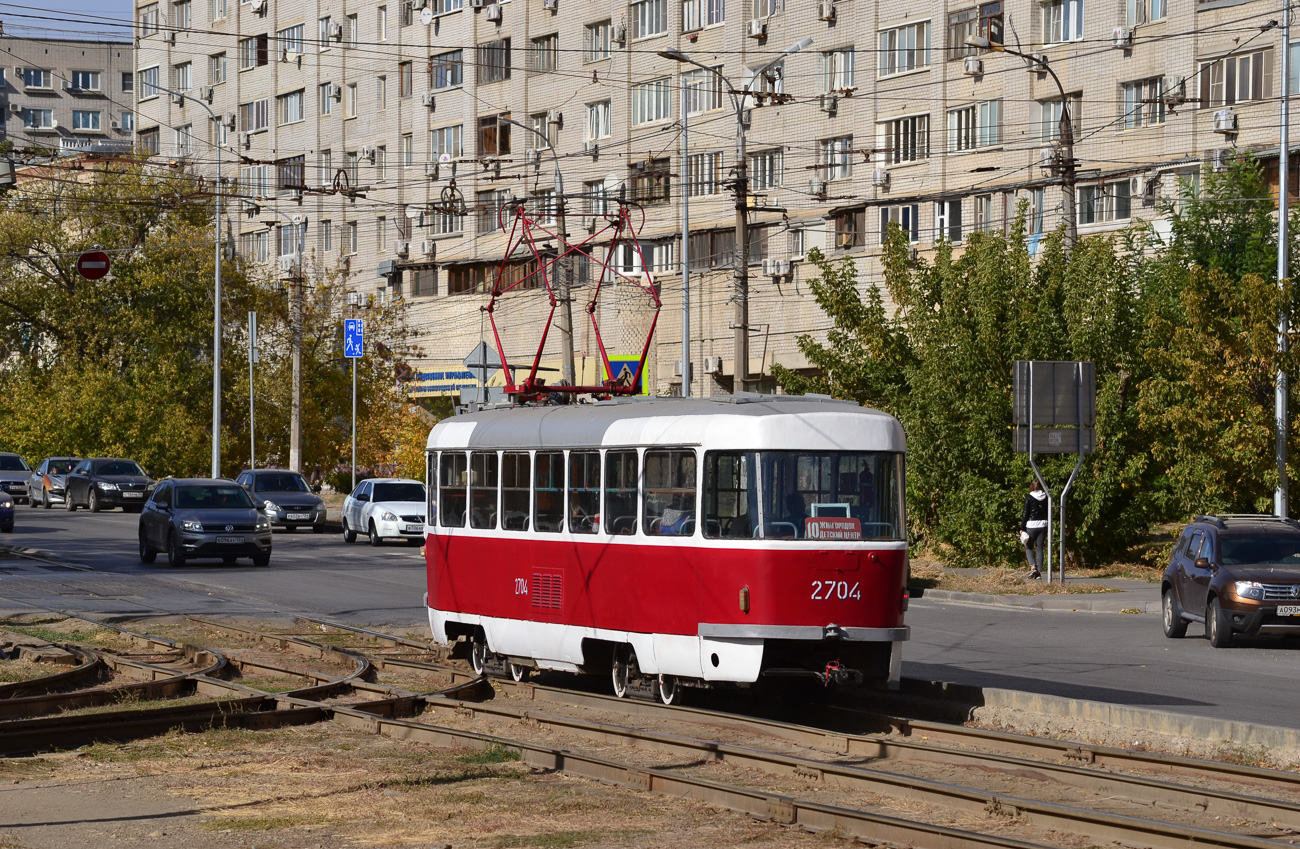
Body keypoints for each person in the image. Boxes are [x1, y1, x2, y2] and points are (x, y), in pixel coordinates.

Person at [1020, 479, 1049, 579]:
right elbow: (1048, 511)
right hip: (1043, 525)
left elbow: (1025, 513)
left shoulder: (1029, 497)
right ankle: (1039, 572)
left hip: (1031, 525)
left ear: (1031, 487)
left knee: (1029, 547)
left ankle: (1033, 568)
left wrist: (1022, 528)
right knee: (1039, 548)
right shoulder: (1046, 497)